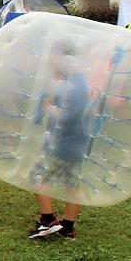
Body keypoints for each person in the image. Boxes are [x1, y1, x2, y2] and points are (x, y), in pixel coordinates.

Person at [27, 39, 88, 240]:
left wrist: (47, 106)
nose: (50, 61)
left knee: (36, 176)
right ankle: (68, 228)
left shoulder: (73, 85)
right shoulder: (75, 80)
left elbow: (68, 115)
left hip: (62, 144)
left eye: (54, 57)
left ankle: (48, 220)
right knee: (71, 185)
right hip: (76, 144)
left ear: (66, 58)